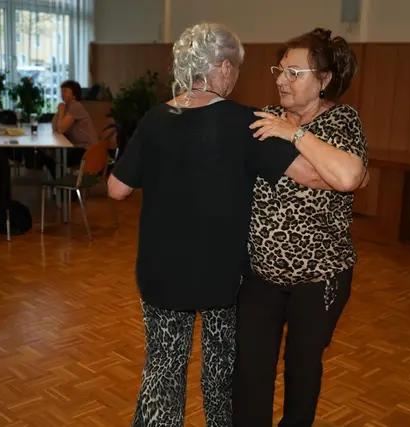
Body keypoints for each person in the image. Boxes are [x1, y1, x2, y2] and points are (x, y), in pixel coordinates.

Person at [107, 22, 329, 427]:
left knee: (163, 371)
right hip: (221, 277)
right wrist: (336, 161)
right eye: (237, 69)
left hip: (161, 272)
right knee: (220, 375)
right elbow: (314, 176)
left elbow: (116, 188)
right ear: (224, 68)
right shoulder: (247, 123)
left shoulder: (155, 119)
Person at [232, 28, 369, 427]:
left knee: (302, 368)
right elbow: (343, 177)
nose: (281, 80)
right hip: (260, 274)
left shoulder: (342, 120)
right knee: (251, 371)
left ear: (324, 80)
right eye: (280, 70)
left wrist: (293, 133)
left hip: (320, 275)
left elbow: (348, 177)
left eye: (294, 73)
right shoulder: (263, 118)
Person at [43, 80, 97, 178]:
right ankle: (61, 180)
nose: (62, 94)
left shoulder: (75, 106)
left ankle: (61, 181)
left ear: (74, 94)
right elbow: (54, 126)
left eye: (65, 91)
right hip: (78, 147)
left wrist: (61, 112)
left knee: (50, 155)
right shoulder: (67, 106)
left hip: (86, 150)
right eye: (61, 91)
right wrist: (60, 111)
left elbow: (60, 129)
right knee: (48, 154)